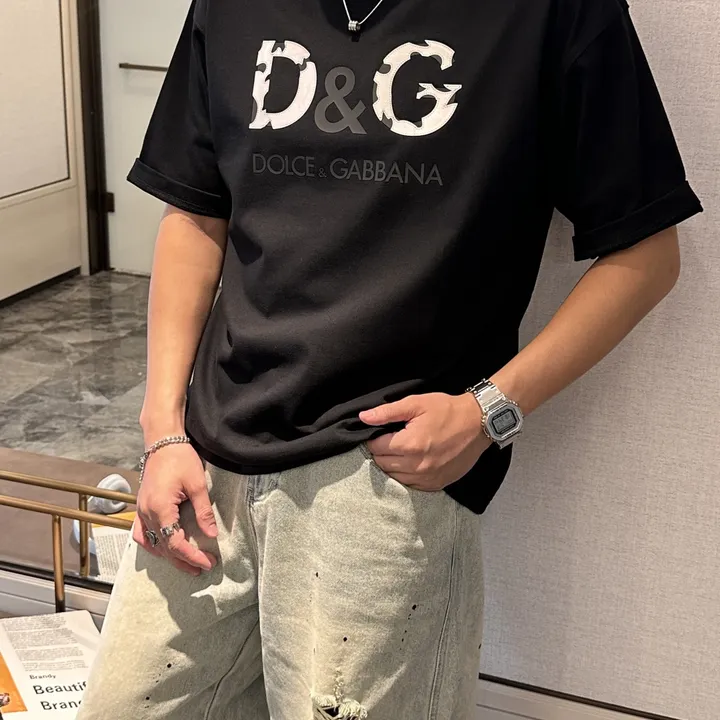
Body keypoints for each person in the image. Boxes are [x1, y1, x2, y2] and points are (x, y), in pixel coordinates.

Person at [77, 0, 702, 718]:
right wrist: (162, 428)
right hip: (206, 461)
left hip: (378, 484)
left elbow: (647, 254)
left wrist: (489, 412)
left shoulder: (554, 11)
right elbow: (195, 209)